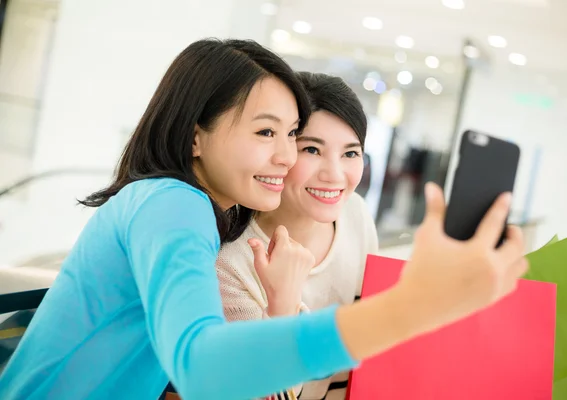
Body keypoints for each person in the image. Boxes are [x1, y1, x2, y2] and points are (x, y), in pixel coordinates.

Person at [0, 39, 528, 400]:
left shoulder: (193, 212)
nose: (286, 156)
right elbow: (201, 366)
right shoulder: (172, 203)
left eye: (291, 134)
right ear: (194, 137)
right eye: (265, 132)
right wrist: (417, 306)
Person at [216, 72, 376, 399]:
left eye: (350, 153)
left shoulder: (355, 214)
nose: (334, 175)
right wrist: (284, 302)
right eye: (312, 150)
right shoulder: (231, 261)